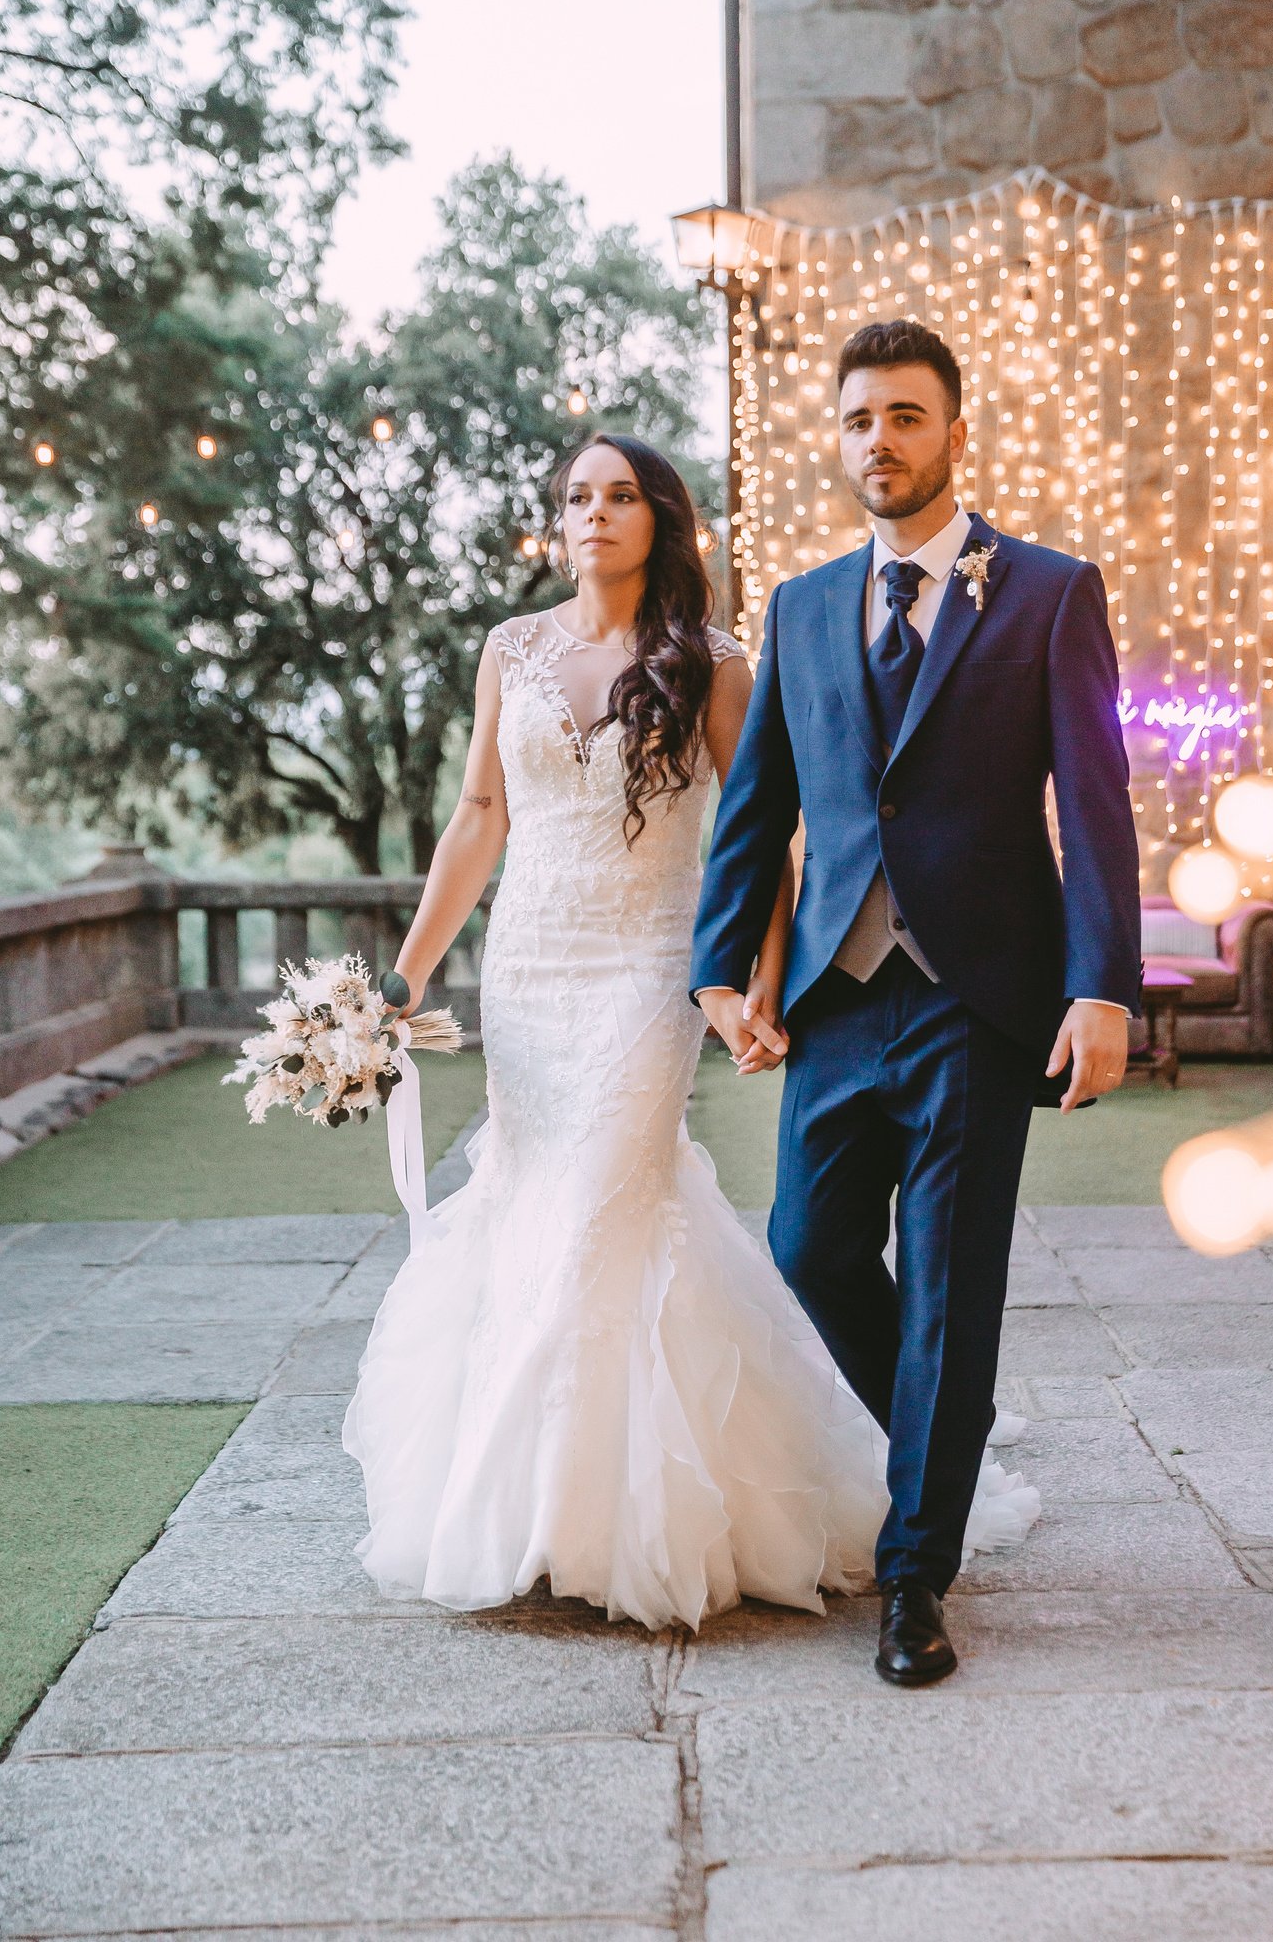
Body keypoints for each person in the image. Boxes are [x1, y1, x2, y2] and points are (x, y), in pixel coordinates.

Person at [343, 429, 1038, 1631]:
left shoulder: (711, 660)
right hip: (530, 967)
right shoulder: (508, 651)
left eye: (620, 496)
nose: (596, 514)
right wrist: (401, 982)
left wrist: (753, 983)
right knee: (532, 1201)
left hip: (646, 970)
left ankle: (629, 1520)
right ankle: (537, 1517)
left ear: (660, 519)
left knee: (609, 1206)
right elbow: (476, 815)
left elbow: (762, 829)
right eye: (575, 497)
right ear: (554, 524)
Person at [692, 317, 1141, 1684]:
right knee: (808, 1249)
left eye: (901, 415)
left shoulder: (1051, 593)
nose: (875, 441)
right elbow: (756, 802)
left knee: (947, 1287)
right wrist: (719, 969)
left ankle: (912, 1578)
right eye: (854, 420)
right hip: (836, 991)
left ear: (952, 428)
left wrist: (1100, 988)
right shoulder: (800, 604)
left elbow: (1095, 802)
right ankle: (938, 1430)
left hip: (974, 1001)